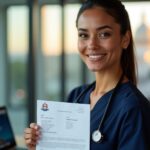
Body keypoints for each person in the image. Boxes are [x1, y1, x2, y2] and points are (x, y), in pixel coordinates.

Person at [24, 0, 150, 149]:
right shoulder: (76, 96)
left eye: (104, 34)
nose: (92, 45)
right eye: (84, 35)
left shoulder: (133, 109)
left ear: (125, 39)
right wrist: (40, 144)